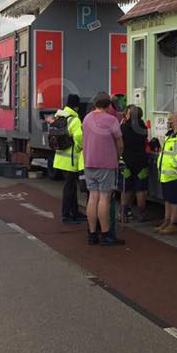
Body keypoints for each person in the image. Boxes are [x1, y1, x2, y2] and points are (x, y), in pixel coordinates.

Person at [82, 92, 125, 246]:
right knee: (104, 198)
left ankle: (92, 234)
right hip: (106, 163)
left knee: (93, 197)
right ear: (108, 105)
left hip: (89, 162)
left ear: (95, 104)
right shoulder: (111, 120)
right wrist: (118, 155)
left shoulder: (86, 119)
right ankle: (106, 235)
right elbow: (119, 142)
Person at [154, 112, 177, 235]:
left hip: (176, 174)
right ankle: (167, 221)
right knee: (168, 200)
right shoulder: (170, 135)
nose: (168, 121)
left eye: (170, 119)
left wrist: (173, 164)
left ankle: (173, 224)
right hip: (167, 174)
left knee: (175, 201)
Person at [53, 93, 86, 224]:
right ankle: (66, 215)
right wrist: (79, 147)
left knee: (70, 187)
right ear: (76, 106)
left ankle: (74, 212)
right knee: (70, 188)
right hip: (71, 160)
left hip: (60, 158)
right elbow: (79, 137)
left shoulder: (60, 116)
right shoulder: (75, 120)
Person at [120, 105, 150, 222]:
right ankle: (142, 213)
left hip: (127, 161)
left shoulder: (123, 127)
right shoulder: (144, 128)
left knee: (126, 189)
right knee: (140, 189)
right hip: (141, 161)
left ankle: (124, 213)